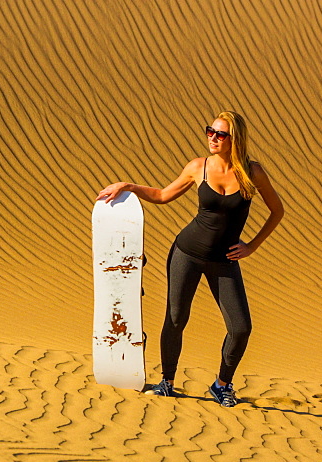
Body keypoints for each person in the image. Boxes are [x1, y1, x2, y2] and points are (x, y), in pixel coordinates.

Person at [96, 111, 284, 406]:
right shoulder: (199, 167)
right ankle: (167, 381)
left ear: (235, 139)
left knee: (241, 327)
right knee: (175, 318)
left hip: (224, 261)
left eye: (220, 134)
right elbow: (161, 195)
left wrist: (253, 246)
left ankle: (222, 384)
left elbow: (277, 211)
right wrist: (129, 186)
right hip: (187, 253)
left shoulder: (252, 172)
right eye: (210, 131)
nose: (212, 138)